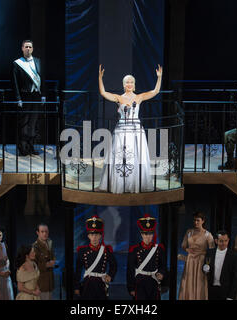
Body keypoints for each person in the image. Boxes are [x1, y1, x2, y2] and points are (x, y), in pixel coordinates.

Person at [98, 64, 162, 193]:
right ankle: (120, 183)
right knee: (121, 156)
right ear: (123, 84)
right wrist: (100, 78)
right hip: (122, 129)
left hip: (136, 129)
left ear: (134, 84)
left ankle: (135, 183)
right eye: (127, 82)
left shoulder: (139, 97)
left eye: (131, 82)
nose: (129, 84)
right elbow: (103, 93)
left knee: (136, 155)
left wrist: (159, 78)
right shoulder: (119, 98)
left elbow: (155, 92)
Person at [12, 40, 43, 156]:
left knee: (33, 122)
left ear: (33, 49)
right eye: (26, 47)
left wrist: (43, 95)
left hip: (36, 95)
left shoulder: (38, 61)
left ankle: (31, 147)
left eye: (30, 47)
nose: (28, 49)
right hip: (25, 95)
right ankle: (23, 148)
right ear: (22, 48)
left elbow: (42, 79)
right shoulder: (17, 63)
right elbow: (14, 83)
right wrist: (18, 98)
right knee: (24, 123)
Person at [74, 215, 117, 300]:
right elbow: (78, 271)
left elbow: (114, 265)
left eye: (96, 234)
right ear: (88, 236)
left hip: (101, 284)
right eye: (92, 234)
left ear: (100, 235)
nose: (94, 237)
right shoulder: (82, 251)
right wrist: (76, 287)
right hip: (87, 284)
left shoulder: (106, 250)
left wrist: (110, 275)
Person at [127, 214, 166, 300]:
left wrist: (161, 273)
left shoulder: (159, 249)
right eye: (145, 234)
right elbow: (130, 270)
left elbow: (163, 266)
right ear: (141, 234)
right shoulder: (134, 249)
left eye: (150, 234)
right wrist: (131, 288)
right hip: (140, 283)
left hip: (154, 282)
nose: (148, 237)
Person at [178, 212, 215, 300]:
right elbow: (183, 245)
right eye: (194, 220)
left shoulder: (208, 235)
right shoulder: (189, 232)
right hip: (190, 261)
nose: (196, 222)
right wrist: (187, 250)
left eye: (198, 220)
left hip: (201, 262)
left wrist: (207, 262)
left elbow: (212, 250)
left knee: (199, 284)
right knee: (188, 282)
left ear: (203, 221)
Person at [204, 230, 237, 300]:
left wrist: (231, 296)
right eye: (221, 241)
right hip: (211, 290)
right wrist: (204, 269)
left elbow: (236, 278)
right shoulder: (209, 253)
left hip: (226, 292)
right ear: (216, 241)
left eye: (225, 241)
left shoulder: (234, 256)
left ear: (228, 240)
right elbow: (206, 267)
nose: (224, 243)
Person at [32, 223, 56, 300]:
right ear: (37, 233)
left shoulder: (49, 243)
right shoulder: (35, 247)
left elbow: (52, 256)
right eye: (42, 232)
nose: (45, 234)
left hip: (49, 281)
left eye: (46, 231)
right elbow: (33, 266)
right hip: (41, 283)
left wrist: (53, 261)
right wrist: (46, 265)